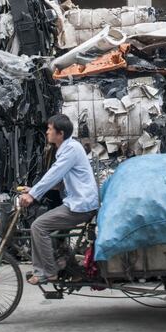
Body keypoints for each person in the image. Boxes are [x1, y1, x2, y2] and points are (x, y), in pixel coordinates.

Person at [19, 114, 99, 285]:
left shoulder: (71, 149)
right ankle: (69, 268)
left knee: (39, 226)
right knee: (50, 230)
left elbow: (54, 174)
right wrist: (33, 189)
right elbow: (59, 181)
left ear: (60, 133)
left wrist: (33, 195)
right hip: (78, 202)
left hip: (81, 205)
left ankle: (48, 272)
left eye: (49, 129)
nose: (47, 132)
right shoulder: (67, 148)